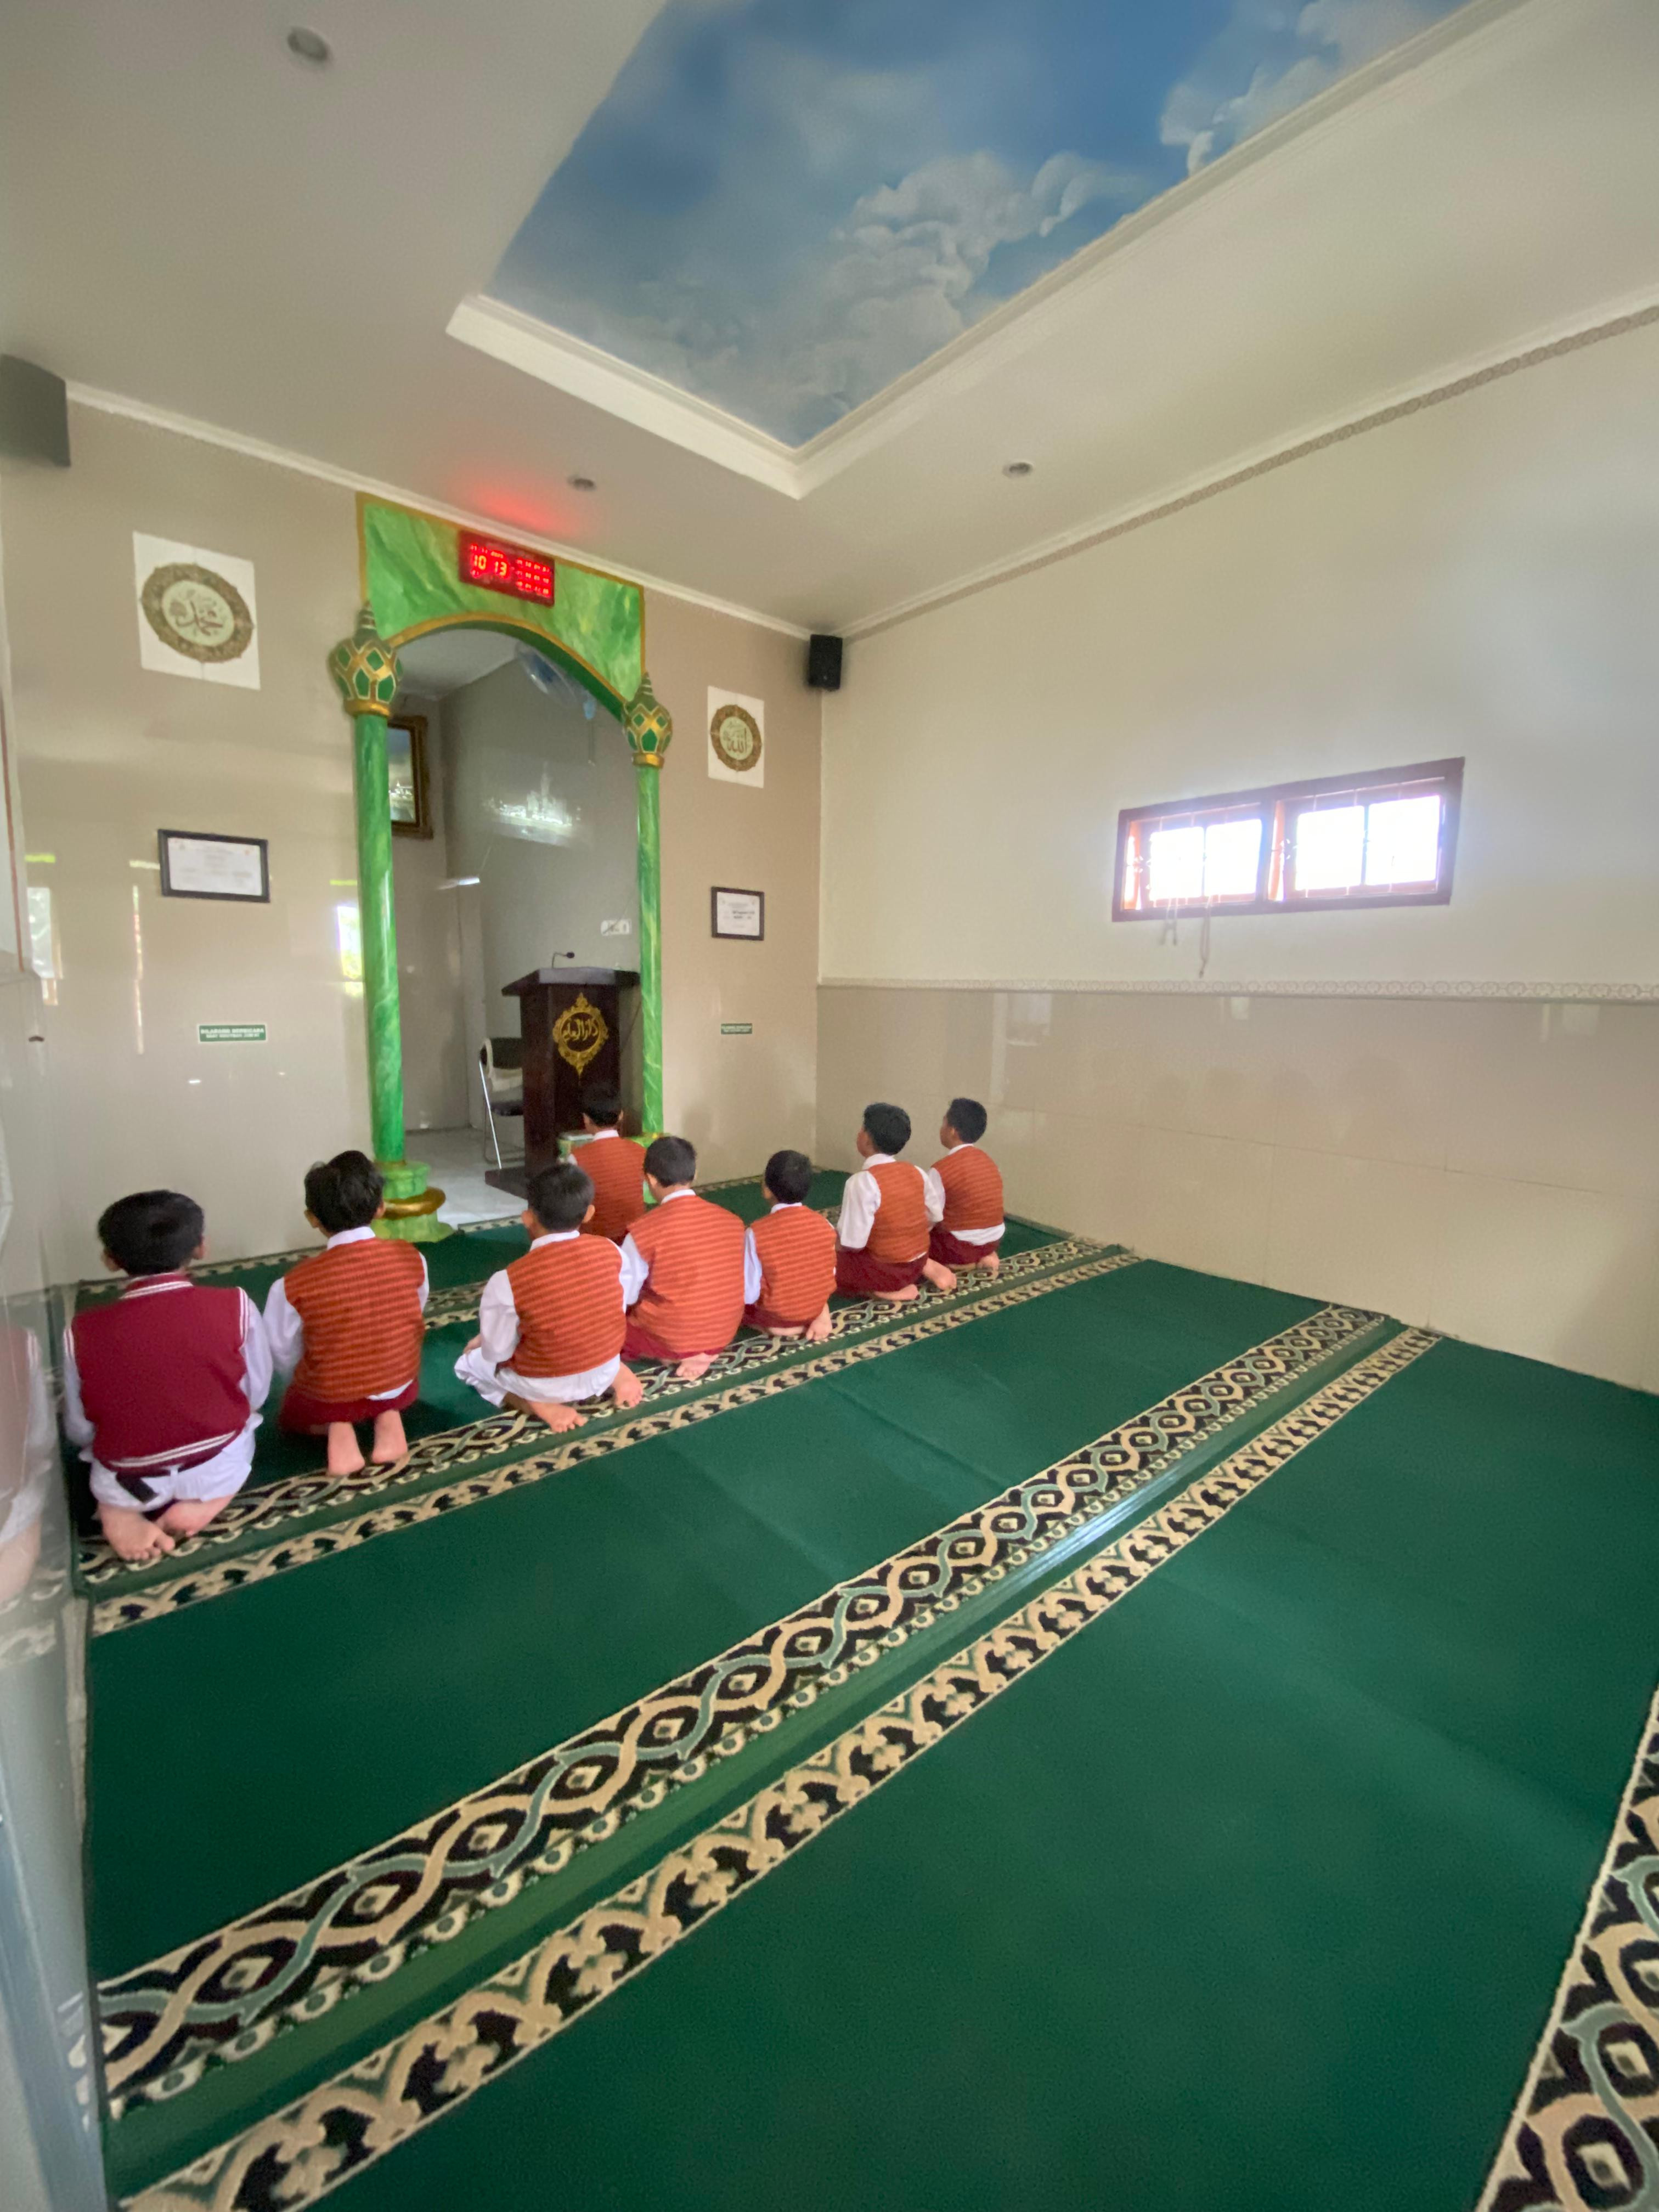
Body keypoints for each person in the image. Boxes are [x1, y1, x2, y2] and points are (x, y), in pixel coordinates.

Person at [63, 1189, 272, 1562]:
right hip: (217, 1464)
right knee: (245, 1431)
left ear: (110, 1260)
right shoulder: (236, 1305)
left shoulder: (79, 1332)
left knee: (99, 1466)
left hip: (126, 1478)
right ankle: (209, 1500)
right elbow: (256, 1393)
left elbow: (80, 1429)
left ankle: (118, 1509)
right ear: (202, 1247)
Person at [263, 1152, 427, 1475]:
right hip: (401, 1383)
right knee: (382, 1384)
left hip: (328, 1397)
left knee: (298, 1406)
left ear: (313, 1218)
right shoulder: (412, 1258)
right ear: (381, 1207)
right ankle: (388, 1416)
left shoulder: (292, 1285)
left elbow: (281, 1352)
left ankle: (339, 1428)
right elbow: (414, 1313)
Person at [454, 1160, 644, 1431]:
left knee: (468, 1365)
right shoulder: (612, 1251)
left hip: (541, 1384)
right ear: (589, 1214)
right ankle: (616, 1373)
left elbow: (498, 1351)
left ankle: (534, 1404)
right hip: (604, 1365)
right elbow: (616, 1306)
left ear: (527, 1217)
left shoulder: (508, 1280)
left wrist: (485, 1340)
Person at [618, 1135, 746, 1380]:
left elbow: (625, 1296)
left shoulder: (643, 1231)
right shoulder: (733, 1221)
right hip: (723, 1333)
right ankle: (699, 1352)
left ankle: (674, 1353)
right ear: (695, 1173)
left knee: (603, 1325)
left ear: (650, 1180)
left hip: (671, 1335)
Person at [836, 1103, 955, 1304]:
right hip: (917, 1262)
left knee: (822, 1259)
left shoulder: (861, 1182)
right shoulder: (917, 1172)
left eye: (862, 1129)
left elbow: (853, 1245)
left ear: (867, 1138)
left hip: (885, 1271)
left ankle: (886, 1290)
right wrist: (904, 1238)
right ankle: (926, 1266)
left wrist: (831, 1242)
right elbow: (935, 1216)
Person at [743, 1149, 836, 1341]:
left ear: (766, 1189)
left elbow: (749, 1295)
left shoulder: (756, 1233)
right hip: (814, 1307)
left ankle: (781, 1328)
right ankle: (819, 1314)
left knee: (730, 1298)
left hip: (775, 1316)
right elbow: (830, 1274)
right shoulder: (825, 1225)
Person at [929, 1097, 1006, 1276]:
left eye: (944, 1123)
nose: (941, 1129)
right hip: (993, 1242)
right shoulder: (989, 1161)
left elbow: (929, 1218)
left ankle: (957, 1264)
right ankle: (982, 1257)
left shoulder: (940, 1170)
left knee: (909, 1239)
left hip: (958, 1247)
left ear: (952, 1131)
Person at [574, 1080, 648, 1244]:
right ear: (621, 1115)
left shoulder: (577, 1158)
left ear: (586, 1119)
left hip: (596, 1243)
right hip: (635, 1239)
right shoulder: (641, 1152)